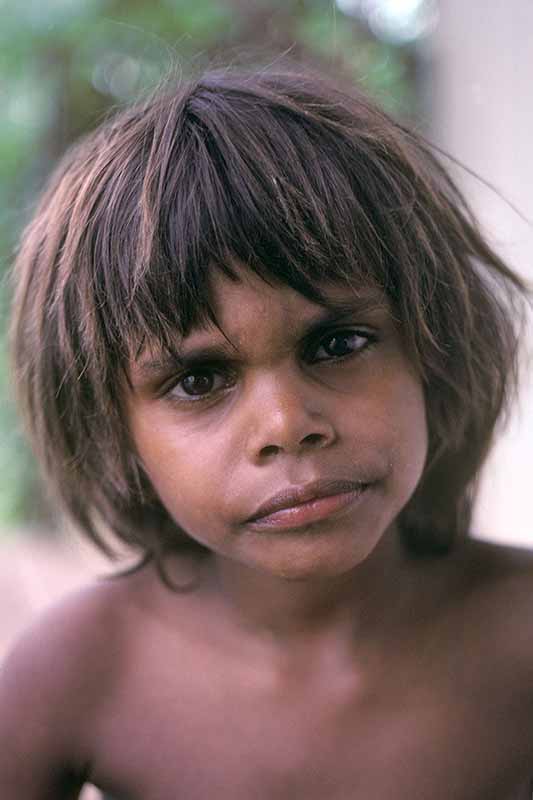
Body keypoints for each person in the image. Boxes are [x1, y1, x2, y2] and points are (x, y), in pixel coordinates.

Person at [1, 62, 532, 799]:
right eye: (198, 380)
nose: (286, 425)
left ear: (433, 348)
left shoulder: (519, 634)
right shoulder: (80, 670)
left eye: (337, 343)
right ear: (111, 428)